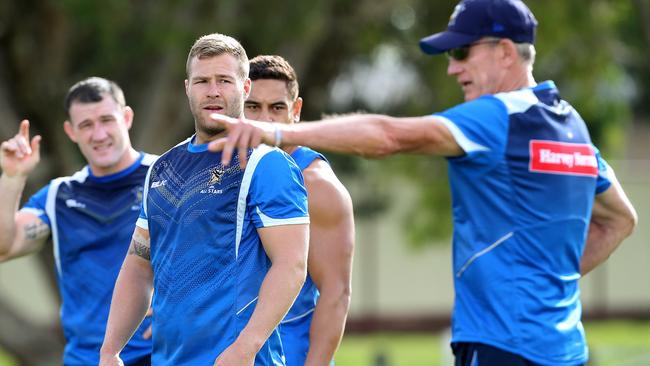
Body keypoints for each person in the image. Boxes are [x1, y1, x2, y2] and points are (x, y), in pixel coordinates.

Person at [207, 1, 638, 365]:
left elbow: (390, 137)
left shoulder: (498, 117)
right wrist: (547, 285)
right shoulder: (571, 126)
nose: (452, 69)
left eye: (463, 53)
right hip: (565, 348)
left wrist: (279, 135)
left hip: (502, 345)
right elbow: (621, 220)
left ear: (505, 51)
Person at [99, 33, 310, 366]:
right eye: (202, 81)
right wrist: (110, 349)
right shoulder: (162, 168)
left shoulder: (266, 164)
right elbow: (139, 265)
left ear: (245, 88)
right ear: (187, 88)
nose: (213, 91)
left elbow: (292, 265)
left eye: (224, 80)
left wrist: (245, 348)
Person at [0, 77, 154, 365]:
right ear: (71, 131)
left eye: (107, 120)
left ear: (127, 117)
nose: (98, 134)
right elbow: (4, 247)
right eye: (86, 125)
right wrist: (12, 177)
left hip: (160, 356)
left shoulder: (167, 177)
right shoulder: (58, 196)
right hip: (87, 359)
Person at [245, 55, 354, 366]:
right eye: (253, 107)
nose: (264, 120)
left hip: (289, 356)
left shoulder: (316, 185)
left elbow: (336, 295)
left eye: (276, 108)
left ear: (295, 111)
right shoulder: (226, 171)